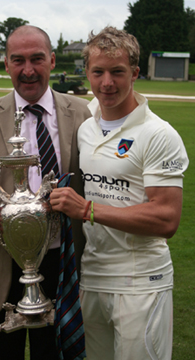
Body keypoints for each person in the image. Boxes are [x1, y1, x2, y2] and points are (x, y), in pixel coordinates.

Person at [50, 26, 189, 360]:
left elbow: (166, 218)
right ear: (87, 72)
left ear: (135, 73)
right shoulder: (87, 127)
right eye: (98, 72)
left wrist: (87, 210)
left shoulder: (158, 134)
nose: (106, 83)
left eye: (117, 72)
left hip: (141, 281)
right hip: (93, 276)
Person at [0, 25, 91, 360]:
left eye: (36, 59)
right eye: (18, 60)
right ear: (6, 64)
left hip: (61, 263)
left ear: (52, 60)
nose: (27, 70)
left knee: (55, 355)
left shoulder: (81, 113)